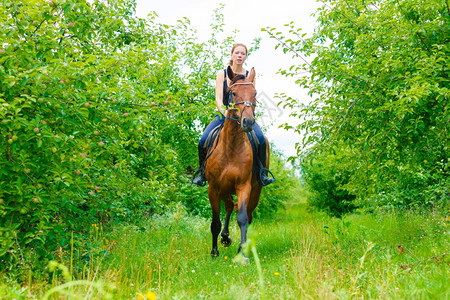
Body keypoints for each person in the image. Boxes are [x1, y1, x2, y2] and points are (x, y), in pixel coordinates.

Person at [192, 43, 275, 187]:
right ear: (232, 55)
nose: (239, 56)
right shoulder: (222, 74)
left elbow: (250, 97)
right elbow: (218, 98)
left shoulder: (250, 75)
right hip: (225, 115)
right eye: (237, 53)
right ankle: (202, 173)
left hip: (244, 116)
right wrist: (224, 112)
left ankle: (262, 173)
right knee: (203, 140)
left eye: (243, 53)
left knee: (261, 139)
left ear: (245, 57)